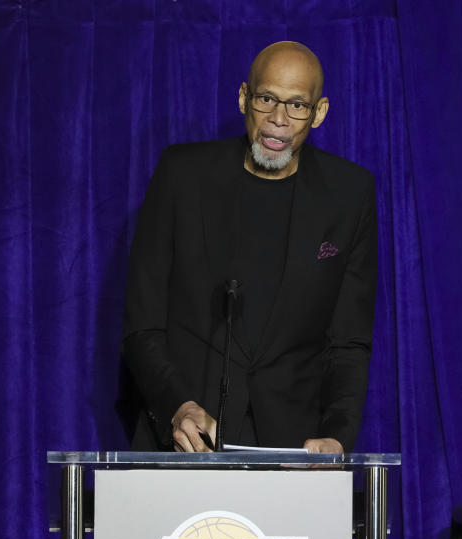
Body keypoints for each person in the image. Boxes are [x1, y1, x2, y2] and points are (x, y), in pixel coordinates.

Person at [122, 41, 377, 454]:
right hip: (187, 441)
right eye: (267, 99)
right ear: (244, 98)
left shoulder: (349, 194)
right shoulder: (182, 175)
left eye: (297, 105)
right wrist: (178, 406)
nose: (279, 120)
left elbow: (348, 342)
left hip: (295, 452)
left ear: (320, 112)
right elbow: (143, 325)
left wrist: (337, 434)